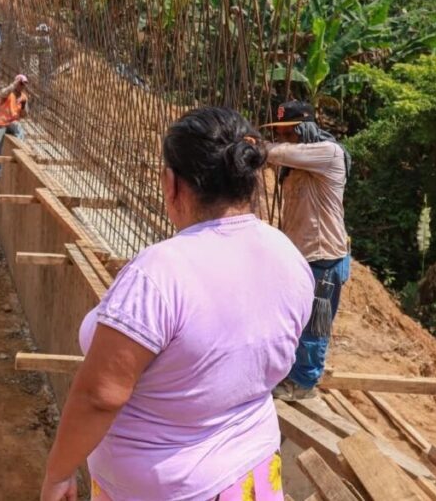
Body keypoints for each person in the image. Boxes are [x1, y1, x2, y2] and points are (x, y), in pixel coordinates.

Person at [40, 107, 313, 501]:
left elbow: (100, 395)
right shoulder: (287, 255)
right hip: (251, 478)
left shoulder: (160, 272)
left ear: (172, 184)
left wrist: (58, 474)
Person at [263, 100, 351, 402]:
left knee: (314, 325)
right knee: (294, 320)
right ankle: (292, 374)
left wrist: (254, 145)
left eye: (287, 131)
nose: (284, 138)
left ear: (303, 129)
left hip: (323, 257)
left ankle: (304, 383)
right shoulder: (296, 164)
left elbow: (275, 152)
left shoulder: (328, 153)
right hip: (301, 257)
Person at [0, 74, 29, 187]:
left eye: (24, 84)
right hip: (1, 123)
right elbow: (2, 93)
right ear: (16, 82)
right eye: (21, 84)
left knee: (20, 131)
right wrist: (14, 85)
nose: (22, 87)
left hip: (12, 123)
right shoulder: (8, 93)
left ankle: (20, 154)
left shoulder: (24, 97)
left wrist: (24, 107)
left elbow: (25, 115)